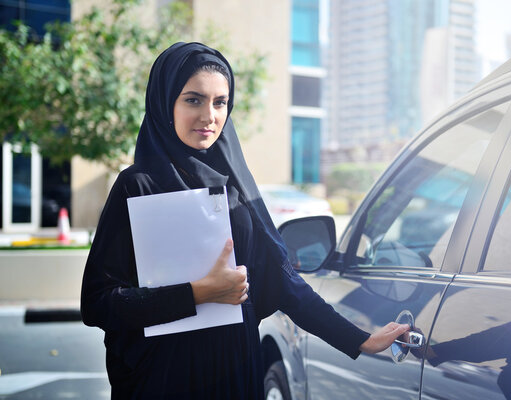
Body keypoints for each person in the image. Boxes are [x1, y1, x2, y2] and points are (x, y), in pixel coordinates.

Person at [80, 42, 409, 399]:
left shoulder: (235, 187)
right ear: (164, 103)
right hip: (160, 378)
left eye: (220, 102)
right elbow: (98, 302)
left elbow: (285, 283)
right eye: (193, 100)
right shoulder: (137, 186)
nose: (209, 116)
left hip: (235, 374)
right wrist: (199, 293)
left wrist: (359, 338)